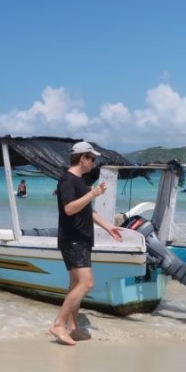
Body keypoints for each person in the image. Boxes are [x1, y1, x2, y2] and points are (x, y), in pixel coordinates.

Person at [49, 141, 123, 345]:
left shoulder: (80, 182)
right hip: (73, 240)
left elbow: (87, 211)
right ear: (82, 158)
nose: (93, 162)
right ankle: (58, 324)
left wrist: (108, 227)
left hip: (81, 239)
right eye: (92, 158)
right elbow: (69, 209)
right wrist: (92, 194)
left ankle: (73, 327)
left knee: (76, 285)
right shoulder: (67, 181)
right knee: (86, 283)